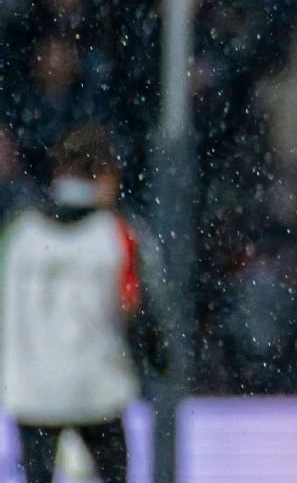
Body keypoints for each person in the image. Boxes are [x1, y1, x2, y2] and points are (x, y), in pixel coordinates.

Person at [0, 123, 164, 483]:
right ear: (105, 174)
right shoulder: (117, 233)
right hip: (97, 390)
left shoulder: (19, 233)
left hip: (32, 390)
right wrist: (157, 357)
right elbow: (136, 309)